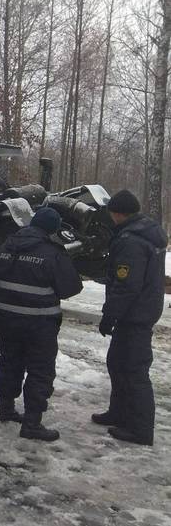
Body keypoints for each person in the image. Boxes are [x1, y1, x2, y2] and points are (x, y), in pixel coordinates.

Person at [0, 207, 83, 442]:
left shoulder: (6, 246)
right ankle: (32, 423)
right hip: (39, 322)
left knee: (9, 361)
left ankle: (6, 409)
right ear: (52, 229)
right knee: (40, 370)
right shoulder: (52, 253)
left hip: (6, 318)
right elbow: (71, 287)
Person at [95, 190, 167, 446]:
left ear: (118, 212)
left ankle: (140, 429)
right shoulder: (146, 231)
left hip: (134, 314)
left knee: (134, 371)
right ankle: (119, 413)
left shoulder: (131, 240)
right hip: (139, 311)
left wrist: (109, 315)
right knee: (117, 363)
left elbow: (127, 285)